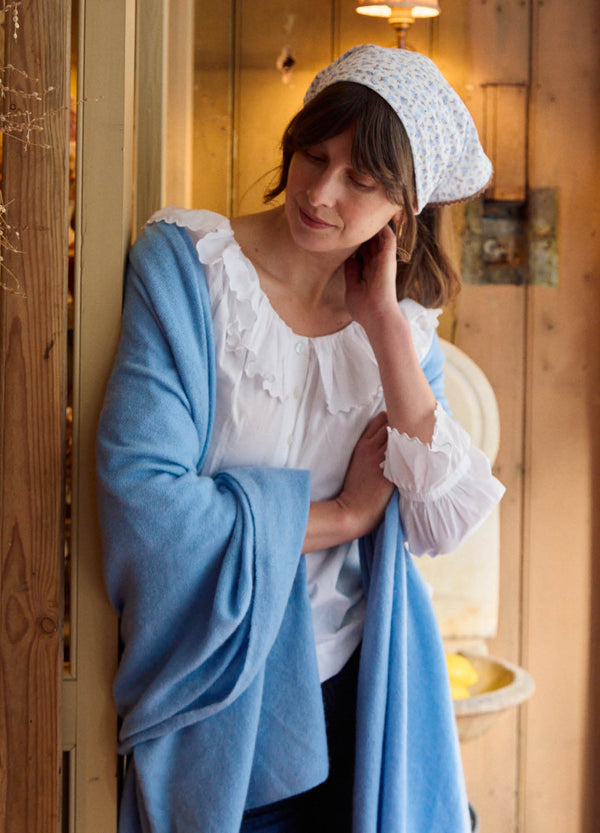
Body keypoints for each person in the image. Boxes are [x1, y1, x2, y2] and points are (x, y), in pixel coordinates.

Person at [97, 44, 504, 833]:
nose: (318, 193)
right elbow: (144, 504)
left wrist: (385, 326)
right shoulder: (190, 272)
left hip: (359, 692)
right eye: (312, 155)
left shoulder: (402, 336)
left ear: (405, 207)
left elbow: (444, 522)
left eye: (361, 180)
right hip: (219, 688)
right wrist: (344, 517)